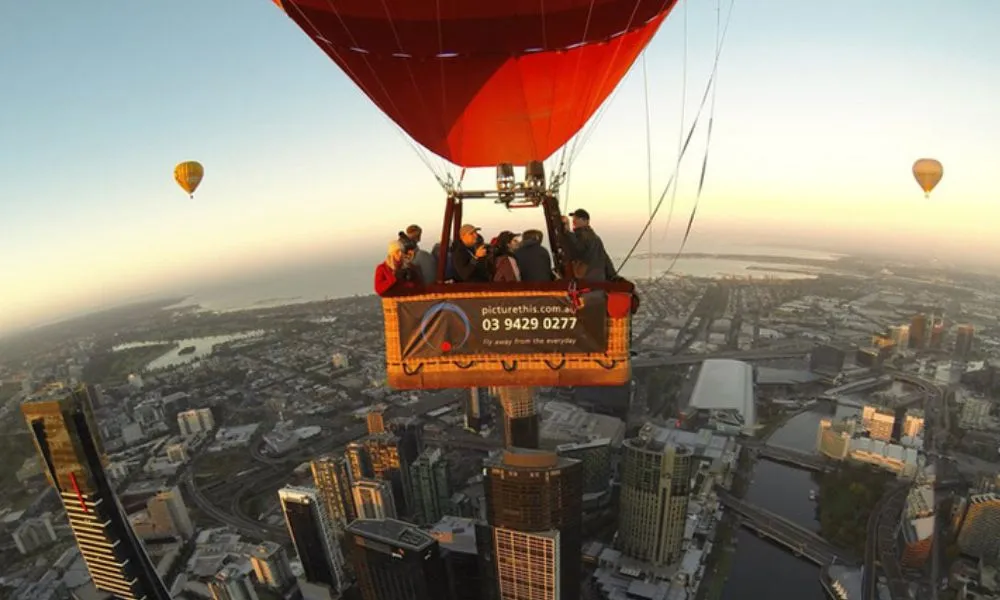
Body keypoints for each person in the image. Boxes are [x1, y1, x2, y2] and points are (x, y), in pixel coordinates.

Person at [561, 208, 617, 281]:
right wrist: (613, 276)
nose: (574, 220)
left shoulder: (585, 236)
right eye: (574, 218)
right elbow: (605, 260)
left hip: (587, 280)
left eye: (577, 218)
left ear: (585, 221)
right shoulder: (595, 238)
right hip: (597, 279)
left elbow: (578, 250)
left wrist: (567, 233)